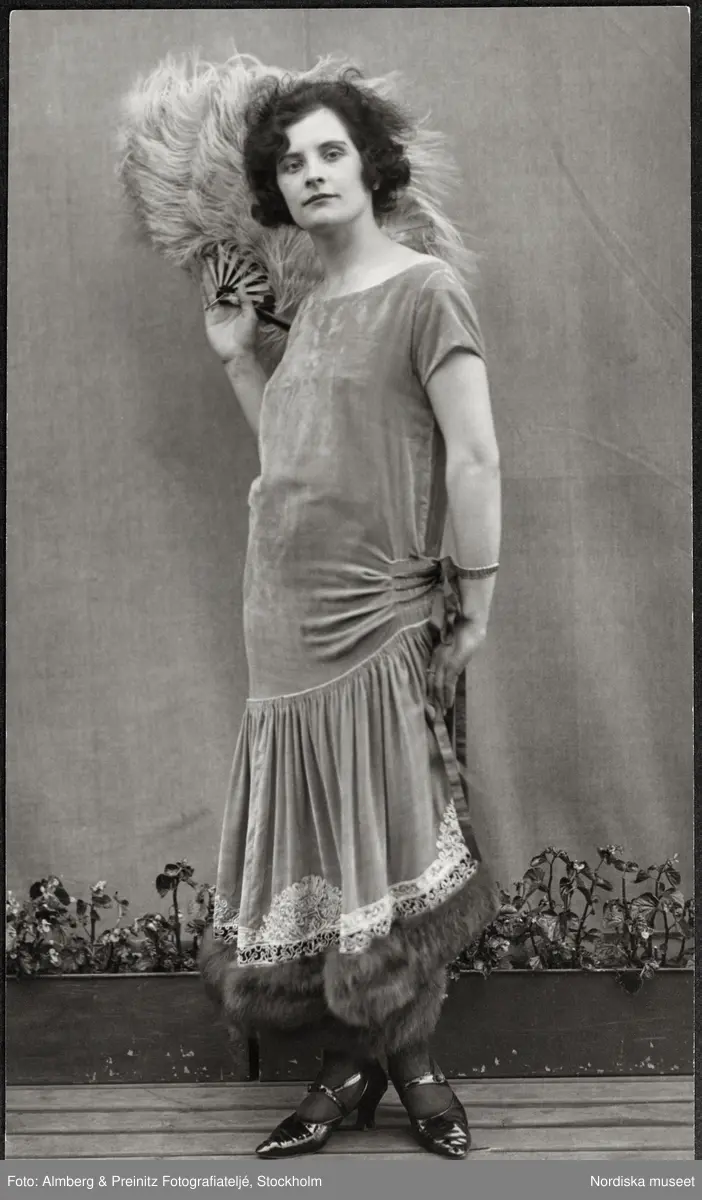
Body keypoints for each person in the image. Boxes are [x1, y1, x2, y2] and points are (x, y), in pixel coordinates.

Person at [199, 70, 501, 1160]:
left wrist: (476, 596)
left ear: (370, 165)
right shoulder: (312, 309)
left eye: (330, 152)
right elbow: (288, 456)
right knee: (334, 848)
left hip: (375, 616)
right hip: (279, 625)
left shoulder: (426, 291)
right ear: (275, 188)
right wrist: (240, 358)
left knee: (393, 847)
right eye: (291, 163)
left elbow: (474, 455)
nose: (312, 174)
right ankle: (375, 1066)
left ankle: (382, 1070)